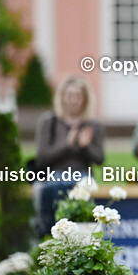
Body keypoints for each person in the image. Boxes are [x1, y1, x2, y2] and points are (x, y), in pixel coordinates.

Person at [34, 76, 105, 234]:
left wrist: (85, 147)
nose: (73, 100)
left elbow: (100, 159)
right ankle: (49, 233)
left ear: (85, 99)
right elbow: (42, 158)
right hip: (55, 176)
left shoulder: (94, 126)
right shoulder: (49, 122)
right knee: (55, 187)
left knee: (81, 189)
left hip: (82, 175)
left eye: (78, 96)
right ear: (62, 98)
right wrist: (66, 144)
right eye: (70, 96)